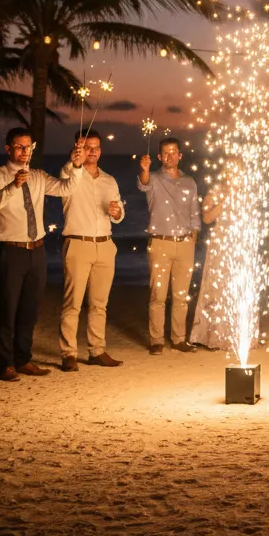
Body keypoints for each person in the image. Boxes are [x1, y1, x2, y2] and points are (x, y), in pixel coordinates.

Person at [0, 128, 87, 381]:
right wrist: (13, 185)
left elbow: (66, 189)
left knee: (30, 309)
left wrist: (75, 166)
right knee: (8, 308)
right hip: (10, 250)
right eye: (19, 147)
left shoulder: (38, 176)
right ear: (8, 149)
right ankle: (5, 363)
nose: (24, 151)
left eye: (28, 147)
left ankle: (23, 359)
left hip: (36, 250)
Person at [58, 131, 124, 371]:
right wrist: (74, 161)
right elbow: (66, 182)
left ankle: (97, 350)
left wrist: (118, 213)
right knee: (72, 303)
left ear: (101, 150)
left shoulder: (109, 180)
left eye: (96, 147)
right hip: (78, 243)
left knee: (99, 304)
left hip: (105, 244)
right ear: (79, 149)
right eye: (87, 147)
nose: (92, 151)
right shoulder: (69, 173)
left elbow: (117, 210)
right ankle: (68, 354)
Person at [137, 137, 200, 355]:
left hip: (184, 244)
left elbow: (195, 213)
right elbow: (143, 184)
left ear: (180, 155)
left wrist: (194, 235)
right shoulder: (153, 179)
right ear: (159, 157)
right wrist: (144, 169)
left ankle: (179, 338)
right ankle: (156, 340)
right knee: (158, 295)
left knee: (181, 296)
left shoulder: (189, 182)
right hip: (160, 242)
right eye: (165, 152)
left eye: (174, 152)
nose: (170, 155)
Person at [189, 157, 244, 351]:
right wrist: (224, 201)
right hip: (221, 244)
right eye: (229, 169)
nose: (232, 173)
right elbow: (206, 218)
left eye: (236, 169)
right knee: (217, 289)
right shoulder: (216, 191)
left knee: (239, 289)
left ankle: (237, 335)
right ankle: (213, 335)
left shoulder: (248, 193)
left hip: (241, 245)